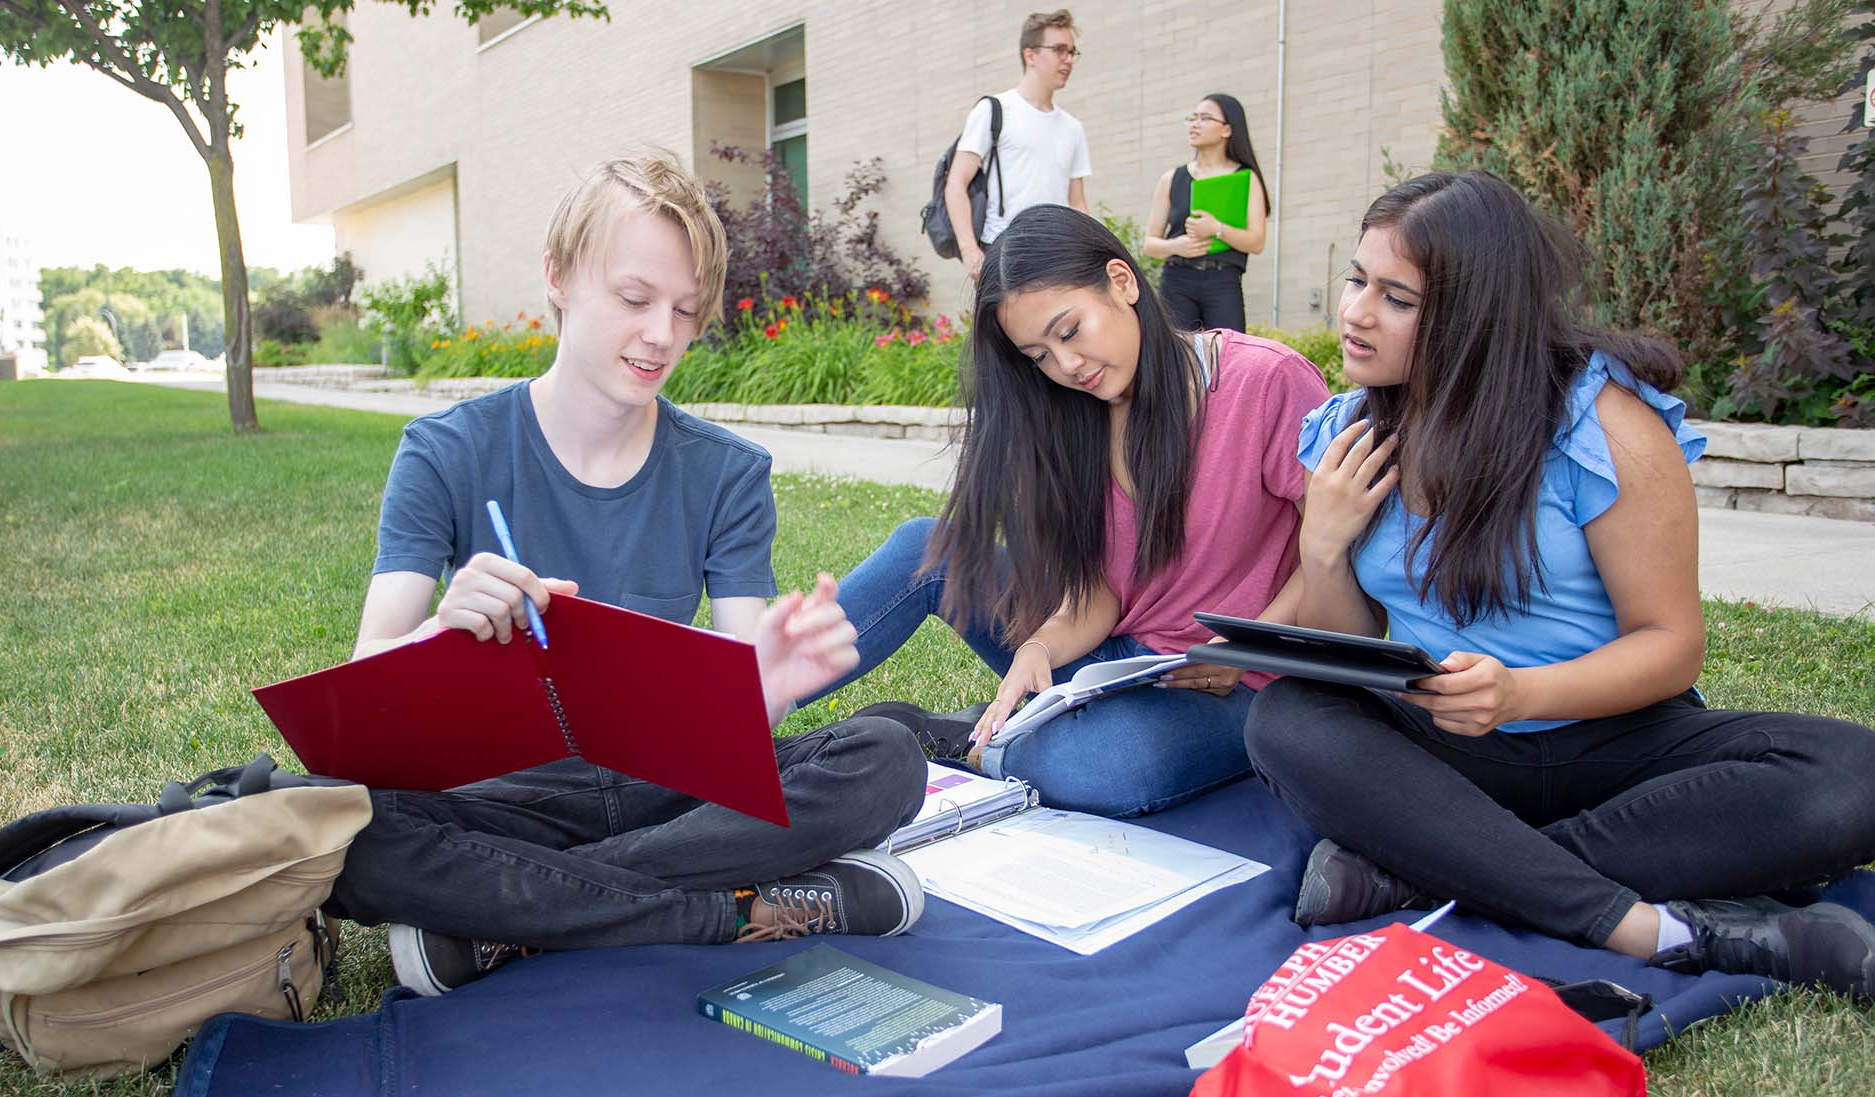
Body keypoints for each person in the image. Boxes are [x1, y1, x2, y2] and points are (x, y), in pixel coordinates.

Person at [1243, 170, 1875, 998]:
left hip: (1621, 741)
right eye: (1359, 279)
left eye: (1398, 297)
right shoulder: (1347, 431)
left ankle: (1430, 870)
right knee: (1286, 716)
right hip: (1454, 747)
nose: (1356, 311)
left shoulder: (1603, 422)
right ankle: (1660, 926)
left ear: (1477, 315)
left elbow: (1672, 645)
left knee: (1850, 773)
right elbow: (1351, 648)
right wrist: (1323, 549)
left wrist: (1520, 694)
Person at [321, 152, 928, 997]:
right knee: (342, 820)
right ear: (558, 277)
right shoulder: (445, 450)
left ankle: (516, 920)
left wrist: (766, 685)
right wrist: (438, 632)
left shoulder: (726, 473)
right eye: (635, 300)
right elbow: (360, 703)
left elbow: (739, 723)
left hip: (669, 790)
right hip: (508, 797)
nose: (662, 337)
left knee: (887, 756)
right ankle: (729, 909)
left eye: (685, 311)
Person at [816, 204, 1330, 818]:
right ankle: (741, 708)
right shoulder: (1070, 414)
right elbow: (1100, 593)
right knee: (924, 549)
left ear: (1121, 281)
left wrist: (1245, 647)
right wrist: (1038, 644)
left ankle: (970, 742)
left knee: (1110, 765)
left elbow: (1334, 548)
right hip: (1117, 662)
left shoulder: (1264, 383)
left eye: (1068, 332)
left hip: (1235, 683)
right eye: (1038, 356)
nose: (1065, 368)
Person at [945, 9, 1093, 282]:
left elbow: (1077, 202)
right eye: (1059, 50)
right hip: (1003, 252)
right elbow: (956, 183)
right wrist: (970, 251)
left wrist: (1091, 252)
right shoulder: (994, 110)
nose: (1068, 60)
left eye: (1072, 52)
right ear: (1030, 54)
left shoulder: (1073, 128)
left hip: (1056, 254)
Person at [1143, 93, 1271, 332]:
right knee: (1177, 355)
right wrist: (1175, 246)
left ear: (1227, 130)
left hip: (1223, 281)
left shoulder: (1246, 179)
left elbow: (1257, 242)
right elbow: (1150, 244)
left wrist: (1217, 229)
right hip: (1177, 279)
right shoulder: (1171, 178)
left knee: (1227, 356)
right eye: (1192, 118)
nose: (1194, 124)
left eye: (1204, 118)